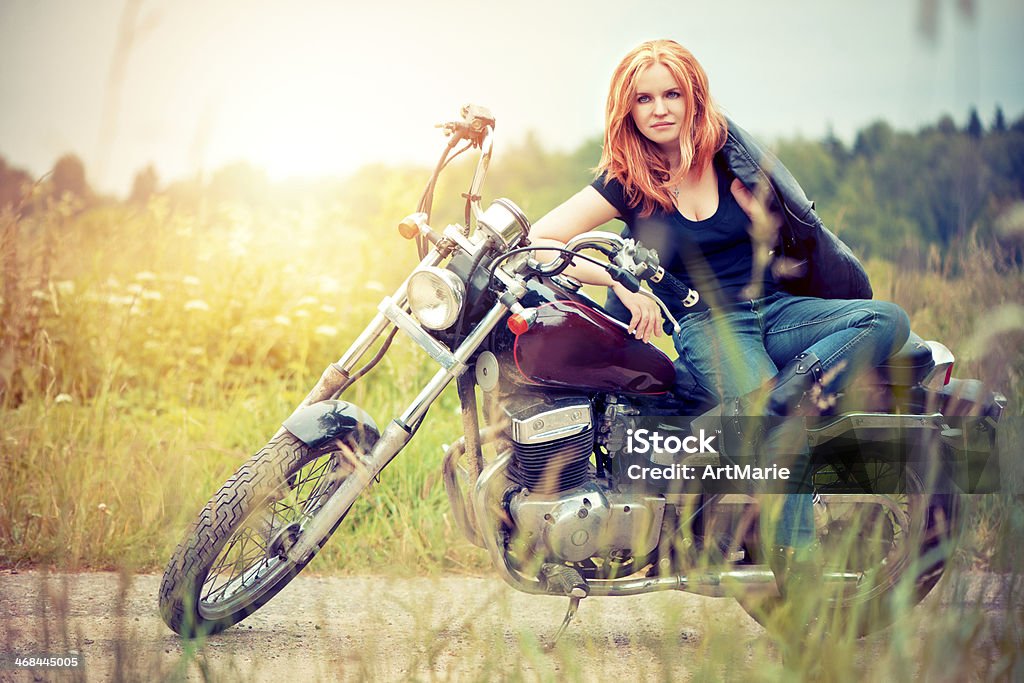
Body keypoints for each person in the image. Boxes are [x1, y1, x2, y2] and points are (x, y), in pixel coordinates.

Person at [528, 39, 910, 599]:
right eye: (644, 99)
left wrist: (770, 221)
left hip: (775, 311)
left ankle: (775, 401)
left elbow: (793, 241)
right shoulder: (627, 180)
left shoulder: (734, 159)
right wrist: (619, 281)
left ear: (693, 98)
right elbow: (542, 241)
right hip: (709, 326)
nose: (660, 109)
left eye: (672, 94)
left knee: (887, 320)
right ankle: (805, 594)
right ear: (627, 110)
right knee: (785, 441)